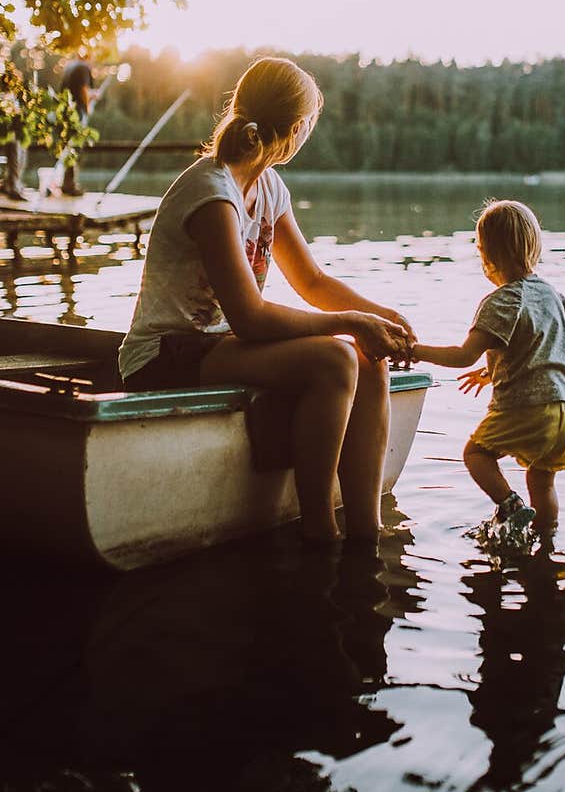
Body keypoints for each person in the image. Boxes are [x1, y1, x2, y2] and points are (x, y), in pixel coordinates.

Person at [118, 56, 415, 543]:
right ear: (297, 128)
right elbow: (251, 318)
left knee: (368, 358)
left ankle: (366, 529)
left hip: (221, 346)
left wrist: (379, 318)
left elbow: (312, 281)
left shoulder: (269, 187)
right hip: (163, 354)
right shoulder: (212, 193)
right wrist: (350, 323)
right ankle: (319, 528)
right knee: (337, 359)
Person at [413, 199, 565, 542]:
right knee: (542, 480)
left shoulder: (501, 301)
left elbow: (463, 356)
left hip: (527, 407)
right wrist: (492, 373)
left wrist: (414, 351)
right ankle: (545, 542)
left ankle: (510, 505)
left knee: (476, 454)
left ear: (487, 255)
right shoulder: (554, 296)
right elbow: (539, 348)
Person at [58, 51, 99, 196]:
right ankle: (69, 184)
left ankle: (66, 182)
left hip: (65, 110)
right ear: (90, 57)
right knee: (75, 147)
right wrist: (88, 106)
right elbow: (83, 90)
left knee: (68, 146)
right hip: (77, 111)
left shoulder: (69, 67)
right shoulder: (83, 67)